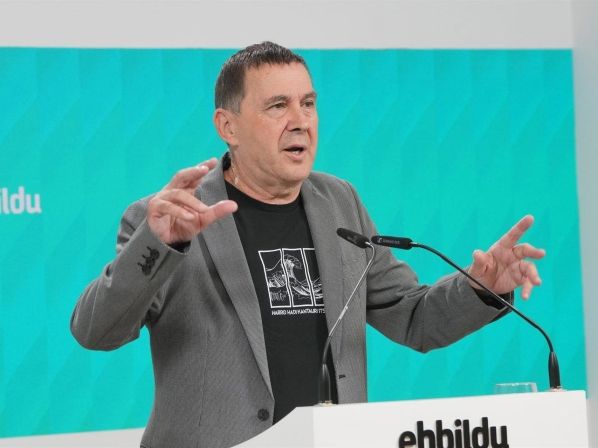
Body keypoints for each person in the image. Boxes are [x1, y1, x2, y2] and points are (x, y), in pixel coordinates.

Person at [71, 42, 545, 448]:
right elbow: (97, 331)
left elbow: (414, 319)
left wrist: (481, 286)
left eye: (309, 103)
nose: (300, 121)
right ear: (228, 126)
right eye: (278, 106)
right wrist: (158, 245)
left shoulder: (341, 202)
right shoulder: (172, 217)